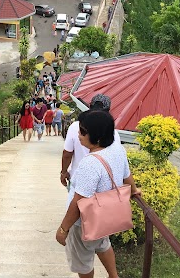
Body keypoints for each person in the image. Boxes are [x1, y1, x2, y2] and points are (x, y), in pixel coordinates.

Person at [56, 110, 140, 278]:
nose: (79, 135)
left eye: (83, 131)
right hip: (105, 218)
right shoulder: (117, 150)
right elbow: (126, 176)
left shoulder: (90, 163)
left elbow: (79, 201)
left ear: (98, 137)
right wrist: (135, 190)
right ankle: (114, 276)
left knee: (83, 261)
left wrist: (64, 229)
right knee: (103, 244)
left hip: (85, 223)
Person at [61, 94, 115, 192]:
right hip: (105, 186)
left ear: (90, 106)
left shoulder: (75, 126)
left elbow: (67, 153)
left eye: (82, 133)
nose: (79, 135)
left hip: (78, 180)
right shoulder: (112, 131)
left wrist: (64, 172)